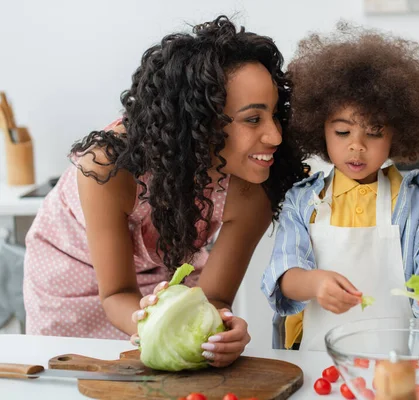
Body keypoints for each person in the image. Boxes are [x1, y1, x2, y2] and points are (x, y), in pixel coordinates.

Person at [23, 15, 307, 367]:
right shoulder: (109, 166)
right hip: (77, 274)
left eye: (276, 114)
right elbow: (116, 293)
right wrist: (154, 322)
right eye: (253, 119)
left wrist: (221, 330)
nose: (275, 136)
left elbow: (215, 296)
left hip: (170, 269)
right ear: (198, 121)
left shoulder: (257, 182)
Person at [261, 22, 419, 351]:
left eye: (373, 133)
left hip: (396, 358)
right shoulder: (304, 200)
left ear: (396, 134)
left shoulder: (410, 201)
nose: (357, 147)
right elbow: (284, 276)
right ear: (319, 129)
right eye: (343, 132)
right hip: (316, 357)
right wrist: (314, 283)